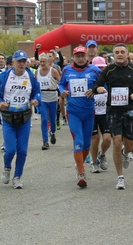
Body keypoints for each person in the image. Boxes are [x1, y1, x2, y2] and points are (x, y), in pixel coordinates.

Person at [93, 43, 133, 190]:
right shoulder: (109, 70)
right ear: (113, 55)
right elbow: (97, 84)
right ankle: (120, 177)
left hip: (130, 109)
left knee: (129, 146)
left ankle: (126, 152)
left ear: (127, 54)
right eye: (117, 52)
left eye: (122, 52)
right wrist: (98, 88)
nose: (120, 54)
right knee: (116, 142)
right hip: (113, 110)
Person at [58, 46, 102, 188]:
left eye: (83, 55)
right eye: (78, 56)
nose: (80, 58)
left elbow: (103, 83)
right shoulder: (66, 70)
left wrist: (96, 90)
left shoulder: (94, 70)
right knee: (78, 141)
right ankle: (81, 174)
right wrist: (62, 92)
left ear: (86, 57)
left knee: (87, 144)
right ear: (73, 57)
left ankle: (80, 165)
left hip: (89, 112)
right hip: (74, 112)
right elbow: (60, 84)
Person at [0, 50, 41, 189]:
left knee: (22, 151)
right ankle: (7, 167)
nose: (22, 64)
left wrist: (36, 99)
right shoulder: (5, 76)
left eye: (24, 61)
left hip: (24, 117)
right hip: (8, 118)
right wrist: (1, 103)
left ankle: (17, 177)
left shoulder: (30, 75)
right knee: (10, 150)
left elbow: (37, 91)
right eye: (19, 61)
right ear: (13, 63)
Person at [89, 56, 111, 173]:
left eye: (102, 68)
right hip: (92, 113)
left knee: (107, 139)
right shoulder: (89, 79)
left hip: (105, 113)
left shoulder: (108, 80)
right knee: (95, 138)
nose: (100, 71)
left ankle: (101, 154)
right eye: (98, 68)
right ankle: (93, 161)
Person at [36, 53, 61, 150]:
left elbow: (60, 82)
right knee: (44, 119)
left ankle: (53, 132)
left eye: (44, 62)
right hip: (42, 98)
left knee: (53, 119)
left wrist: (60, 94)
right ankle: (45, 141)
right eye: (40, 61)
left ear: (48, 62)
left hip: (52, 97)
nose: (42, 63)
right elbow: (35, 85)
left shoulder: (53, 71)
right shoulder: (37, 72)